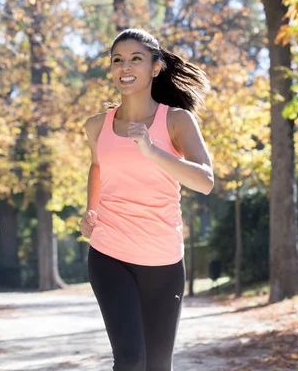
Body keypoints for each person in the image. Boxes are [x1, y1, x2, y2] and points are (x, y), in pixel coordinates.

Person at [79, 28, 214, 371]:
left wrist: (153, 152)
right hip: (110, 253)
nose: (126, 66)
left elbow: (205, 181)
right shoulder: (97, 126)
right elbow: (97, 166)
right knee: (130, 360)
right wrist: (90, 210)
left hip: (163, 260)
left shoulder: (177, 121)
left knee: (157, 365)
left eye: (136, 59)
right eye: (118, 60)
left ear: (155, 68)